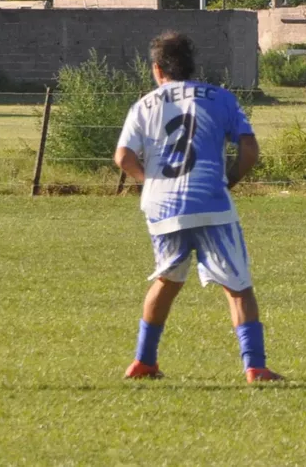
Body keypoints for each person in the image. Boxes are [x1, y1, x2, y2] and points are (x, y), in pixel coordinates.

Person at [115, 31, 282, 382]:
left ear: (158, 69)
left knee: (167, 279)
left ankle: (144, 361)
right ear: (192, 67)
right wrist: (228, 181)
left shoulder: (144, 104)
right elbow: (249, 151)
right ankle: (255, 366)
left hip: (163, 206)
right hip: (210, 202)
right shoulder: (220, 98)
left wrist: (152, 182)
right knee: (237, 287)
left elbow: (123, 157)